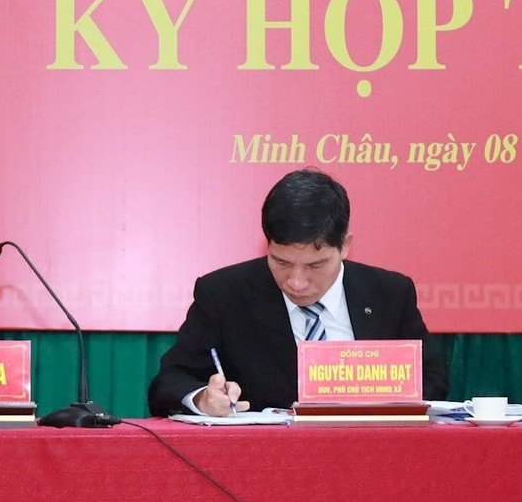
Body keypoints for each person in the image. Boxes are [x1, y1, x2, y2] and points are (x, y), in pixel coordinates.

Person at [148, 168, 448, 416]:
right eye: (281, 262)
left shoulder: (389, 294)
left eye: (315, 265)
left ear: (345, 246)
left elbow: (432, 381)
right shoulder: (224, 294)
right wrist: (203, 398)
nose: (297, 282)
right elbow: (169, 382)